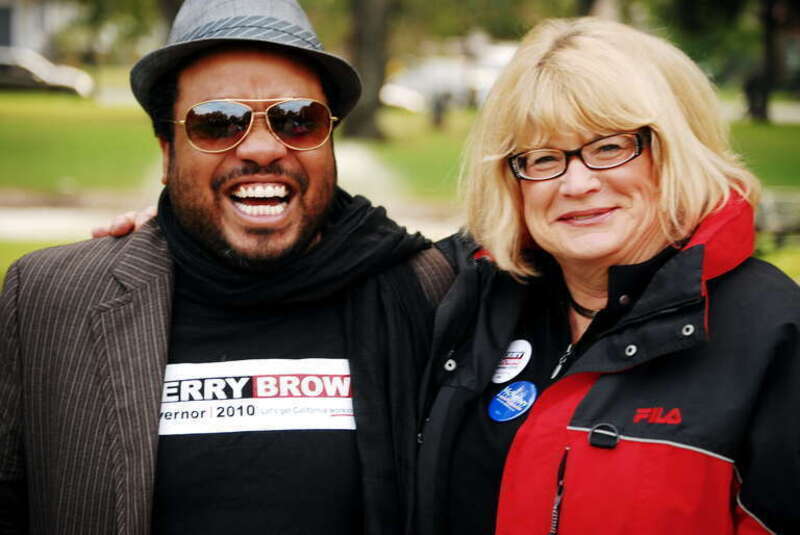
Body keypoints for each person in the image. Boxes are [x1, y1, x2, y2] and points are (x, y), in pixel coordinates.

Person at [0, 0, 455, 533]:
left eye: (297, 120)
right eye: (218, 123)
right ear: (168, 154)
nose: (263, 148)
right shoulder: (49, 300)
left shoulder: (426, 288)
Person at [416, 18, 800, 535]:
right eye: (544, 157)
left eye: (609, 147)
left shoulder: (775, 334)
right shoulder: (474, 304)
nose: (576, 183)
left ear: (678, 150)